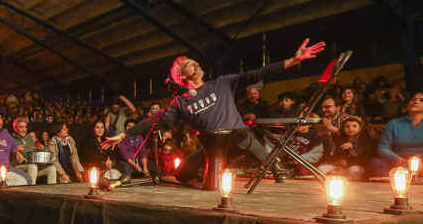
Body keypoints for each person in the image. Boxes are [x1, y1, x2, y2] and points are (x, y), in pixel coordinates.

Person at [105, 39, 326, 184]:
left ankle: (274, 164)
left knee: (240, 136)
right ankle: (209, 172)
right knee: (181, 175)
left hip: (238, 137)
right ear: (181, 76)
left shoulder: (222, 83)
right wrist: (124, 134)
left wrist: (292, 61)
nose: (196, 64)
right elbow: (155, 121)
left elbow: (256, 74)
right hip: (213, 148)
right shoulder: (180, 102)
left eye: (195, 62)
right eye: (189, 65)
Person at [368, 92, 423, 177]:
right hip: (399, 162)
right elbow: (383, 148)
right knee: (375, 163)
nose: (416, 102)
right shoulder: (394, 123)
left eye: (421, 100)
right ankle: (393, 183)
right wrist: (396, 158)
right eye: (413, 99)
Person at [317, 116, 371, 181]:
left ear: (360, 128)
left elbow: (364, 153)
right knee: (321, 169)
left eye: (354, 126)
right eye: (347, 127)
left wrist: (353, 144)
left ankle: (354, 180)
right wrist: (340, 160)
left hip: (357, 166)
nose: (351, 128)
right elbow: (337, 154)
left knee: (354, 170)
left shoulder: (364, 141)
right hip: (341, 167)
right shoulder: (340, 141)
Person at [12, 116, 57, 184]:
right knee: (33, 167)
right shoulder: (10, 139)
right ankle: (31, 190)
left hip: (32, 168)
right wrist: (14, 149)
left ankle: (52, 190)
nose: (24, 129)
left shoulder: (30, 139)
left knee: (52, 168)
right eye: (21, 127)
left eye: (25, 127)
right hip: (17, 168)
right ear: (15, 128)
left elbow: (33, 155)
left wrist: (40, 151)